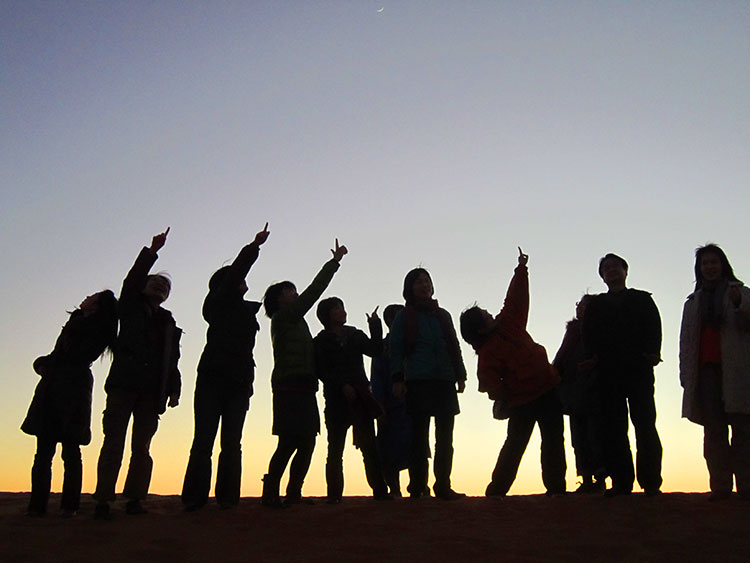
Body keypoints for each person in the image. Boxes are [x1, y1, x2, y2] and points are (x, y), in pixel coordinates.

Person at [460, 248, 566, 497]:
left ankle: (556, 488)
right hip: (522, 401)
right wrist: (507, 395)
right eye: (484, 314)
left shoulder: (507, 322)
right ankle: (497, 491)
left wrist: (521, 269)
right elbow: (489, 383)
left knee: (552, 441)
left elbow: (516, 299)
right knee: (516, 445)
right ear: (481, 327)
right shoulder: (488, 352)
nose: (489, 312)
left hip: (547, 389)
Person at [93, 228, 182, 519]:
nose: (160, 287)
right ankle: (103, 500)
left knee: (142, 447)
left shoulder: (168, 322)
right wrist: (152, 251)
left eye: (164, 287)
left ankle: (135, 499)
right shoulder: (130, 306)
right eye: (155, 283)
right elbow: (131, 281)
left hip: (151, 391)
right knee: (113, 442)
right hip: (123, 385)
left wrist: (173, 388)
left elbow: (172, 359)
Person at [181, 223, 271, 511]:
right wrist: (253, 247)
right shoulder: (217, 303)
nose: (242, 281)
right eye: (235, 279)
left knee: (232, 442)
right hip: (212, 378)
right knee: (204, 440)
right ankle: (195, 499)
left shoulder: (246, 311)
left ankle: (228, 499)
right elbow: (236, 273)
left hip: (239, 381)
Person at [261, 239, 348, 508]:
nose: (296, 294)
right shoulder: (283, 318)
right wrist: (334, 263)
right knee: (288, 441)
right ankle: (271, 492)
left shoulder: (297, 322)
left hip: (306, 386)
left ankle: (293, 493)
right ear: (279, 299)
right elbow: (314, 291)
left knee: (308, 442)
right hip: (289, 386)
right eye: (290, 291)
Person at [22, 290, 118, 517]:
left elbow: (76, 354)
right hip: (53, 387)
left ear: (97, 306)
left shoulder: (97, 328)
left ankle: (70, 506)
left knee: (71, 450)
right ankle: (37, 506)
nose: (87, 297)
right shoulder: (76, 321)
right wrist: (42, 364)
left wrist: (50, 363)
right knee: (44, 451)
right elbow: (59, 353)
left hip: (74, 389)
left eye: (92, 297)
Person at [582, 252, 662, 497]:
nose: (612, 271)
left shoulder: (642, 299)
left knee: (645, 426)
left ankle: (650, 482)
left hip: (638, 371)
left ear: (625, 271)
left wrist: (652, 352)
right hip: (607, 374)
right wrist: (592, 358)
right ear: (602, 277)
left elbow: (654, 327)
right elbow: (588, 336)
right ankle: (621, 481)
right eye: (607, 268)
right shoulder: (595, 305)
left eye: (616, 266)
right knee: (614, 429)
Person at [679, 243, 750, 501]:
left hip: (739, 369)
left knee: (743, 430)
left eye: (714, 262)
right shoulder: (693, 301)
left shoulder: (740, 292)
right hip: (705, 371)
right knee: (714, 430)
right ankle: (720, 487)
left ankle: (746, 486)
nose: (710, 267)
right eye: (705, 264)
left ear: (723, 265)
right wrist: (685, 373)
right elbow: (686, 339)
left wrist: (740, 304)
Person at [390, 267, 467, 500]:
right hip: (418, 379)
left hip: (444, 379)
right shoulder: (404, 316)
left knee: (445, 438)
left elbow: (453, 344)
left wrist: (460, 374)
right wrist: (397, 378)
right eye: (419, 282)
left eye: (427, 281)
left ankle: (443, 485)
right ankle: (418, 487)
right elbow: (396, 348)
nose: (424, 285)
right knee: (419, 437)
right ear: (410, 288)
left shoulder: (443, 315)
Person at [314, 297, 389, 503]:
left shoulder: (354, 334)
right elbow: (321, 370)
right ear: (327, 315)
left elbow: (375, 350)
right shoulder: (320, 341)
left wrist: (375, 325)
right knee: (336, 448)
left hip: (360, 397)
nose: (342, 311)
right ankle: (334, 494)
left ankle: (380, 491)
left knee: (369, 446)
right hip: (336, 400)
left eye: (342, 308)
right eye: (337, 308)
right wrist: (341, 385)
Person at [552, 295, 604, 493]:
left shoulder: (600, 330)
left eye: (585, 306)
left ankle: (599, 478)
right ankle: (587, 478)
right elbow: (562, 357)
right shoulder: (573, 331)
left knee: (595, 435)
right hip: (574, 392)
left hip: (594, 390)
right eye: (579, 306)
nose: (581, 309)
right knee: (579, 437)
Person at [370, 304, 412, 497]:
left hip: (411, 405)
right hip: (390, 406)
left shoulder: (412, 344)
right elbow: (377, 378)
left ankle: (419, 487)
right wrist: (379, 405)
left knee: (416, 447)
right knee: (389, 451)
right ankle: (394, 489)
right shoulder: (383, 348)